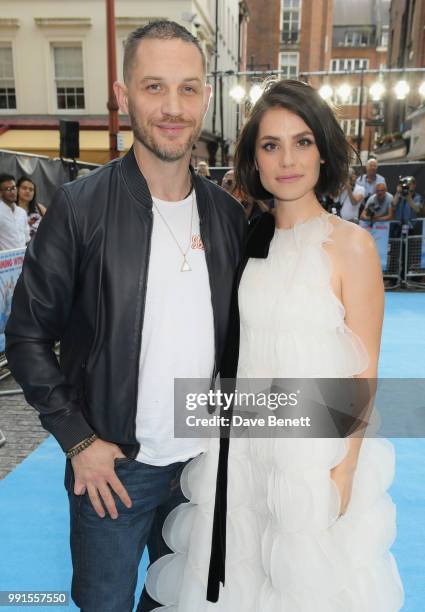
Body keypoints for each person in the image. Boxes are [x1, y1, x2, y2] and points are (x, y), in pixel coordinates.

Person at [5, 20, 245, 612]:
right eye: (153, 87)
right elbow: (29, 335)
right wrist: (79, 439)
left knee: (179, 604)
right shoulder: (80, 206)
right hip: (112, 469)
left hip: (200, 471)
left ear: (205, 98)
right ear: (122, 94)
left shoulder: (225, 215)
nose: (172, 107)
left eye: (188, 89)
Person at [145, 80, 404, 610]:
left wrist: (345, 469)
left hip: (312, 457)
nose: (287, 159)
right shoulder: (245, 239)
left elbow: (364, 372)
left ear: (323, 150)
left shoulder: (350, 247)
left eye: (302, 141)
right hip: (239, 450)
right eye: (271, 145)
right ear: (254, 160)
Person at [0, 174, 30, 251]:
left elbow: (27, 239)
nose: (13, 192)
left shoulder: (22, 212)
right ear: (1, 192)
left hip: (23, 259)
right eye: (8, 189)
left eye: (14, 188)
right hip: (5, 260)